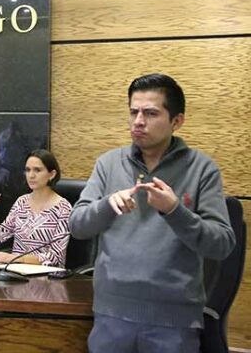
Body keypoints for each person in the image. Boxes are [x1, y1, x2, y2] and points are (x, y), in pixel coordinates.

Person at [69, 73, 235, 353]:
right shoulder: (109, 163)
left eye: (150, 113)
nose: (138, 121)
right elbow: (77, 226)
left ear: (176, 121)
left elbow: (221, 244)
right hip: (112, 313)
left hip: (174, 321)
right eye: (133, 111)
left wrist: (174, 210)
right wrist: (107, 204)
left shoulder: (202, 169)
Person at [0, 149, 71, 267]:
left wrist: (15, 258)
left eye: (37, 170)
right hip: (15, 271)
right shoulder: (22, 202)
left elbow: (56, 257)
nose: (31, 175)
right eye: (28, 170)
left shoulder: (63, 208)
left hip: (46, 274)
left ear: (52, 174)